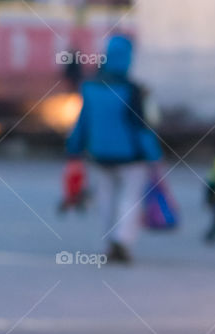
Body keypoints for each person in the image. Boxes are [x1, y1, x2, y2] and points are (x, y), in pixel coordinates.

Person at [66, 34, 162, 264]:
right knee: (130, 197)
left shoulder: (89, 87)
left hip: (99, 154)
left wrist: (73, 150)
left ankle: (109, 242)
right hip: (131, 156)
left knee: (105, 197)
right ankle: (123, 240)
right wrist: (154, 156)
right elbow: (141, 127)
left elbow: (82, 122)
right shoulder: (132, 90)